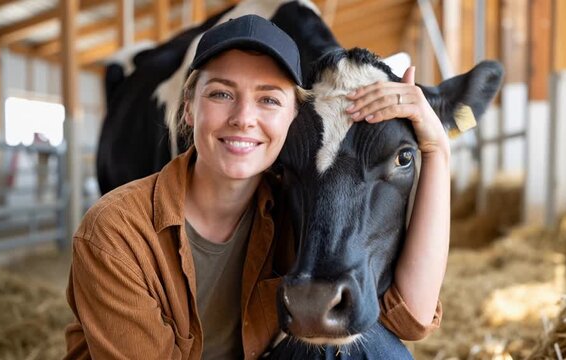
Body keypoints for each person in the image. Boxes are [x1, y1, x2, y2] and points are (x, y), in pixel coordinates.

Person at [63, 14, 449, 360]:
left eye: (268, 99)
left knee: (372, 347)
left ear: (292, 119)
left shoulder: (291, 208)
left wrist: (436, 149)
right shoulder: (114, 233)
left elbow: (409, 318)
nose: (244, 118)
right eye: (221, 94)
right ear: (187, 108)